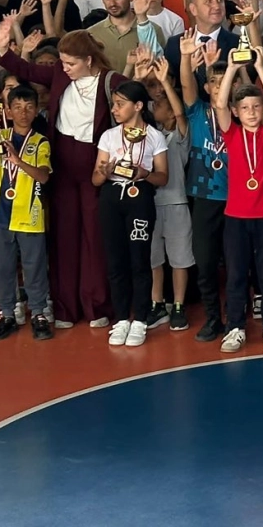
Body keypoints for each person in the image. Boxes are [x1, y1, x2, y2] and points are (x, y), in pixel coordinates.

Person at [0, 19, 127, 329]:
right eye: (62, 62)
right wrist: (2, 50)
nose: (64, 68)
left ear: (88, 60)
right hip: (62, 164)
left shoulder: (112, 81)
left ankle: (97, 305)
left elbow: (131, 106)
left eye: (70, 63)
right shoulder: (59, 75)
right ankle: (65, 307)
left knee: (95, 237)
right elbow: (26, 70)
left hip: (96, 167)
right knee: (64, 236)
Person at [213, 44, 263, 354]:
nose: (253, 112)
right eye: (245, 108)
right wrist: (231, 68)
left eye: (257, 107)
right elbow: (219, 105)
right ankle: (235, 328)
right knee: (236, 275)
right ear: (236, 112)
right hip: (237, 217)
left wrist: (258, 67)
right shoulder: (232, 134)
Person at [92, 80, 169, 348]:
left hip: (140, 198)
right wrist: (104, 172)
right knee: (115, 262)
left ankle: (141, 320)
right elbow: (95, 179)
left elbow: (163, 177)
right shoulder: (109, 136)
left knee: (139, 260)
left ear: (138, 106)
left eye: (120, 104)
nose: (114, 109)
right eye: (114, 104)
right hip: (111, 198)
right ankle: (122, 318)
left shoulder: (154, 136)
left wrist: (144, 173)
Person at [0, 85, 54, 342]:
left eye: (29, 107)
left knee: (34, 266)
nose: (23, 113)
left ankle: (38, 313)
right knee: (3, 268)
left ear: (36, 111)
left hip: (29, 215)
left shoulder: (40, 141)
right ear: (8, 111)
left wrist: (19, 161)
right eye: (18, 108)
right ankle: (7, 314)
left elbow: (43, 176)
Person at [178, 34, 232, 341]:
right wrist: (186, 58)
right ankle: (213, 318)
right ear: (207, 87)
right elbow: (187, 87)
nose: (219, 86)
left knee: (237, 262)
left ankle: (236, 316)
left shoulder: (240, 115)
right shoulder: (198, 112)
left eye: (225, 81)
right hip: (204, 196)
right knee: (206, 261)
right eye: (214, 81)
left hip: (236, 198)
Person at [138, 55, 192, 332]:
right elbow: (137, 106)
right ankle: (157, 303)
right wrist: (142, 80)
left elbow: (180, 113)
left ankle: (178, 305)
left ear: (171, 113)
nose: (153, 105)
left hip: (176, 203)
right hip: (151, 203)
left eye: (159, 105)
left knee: (179, 257)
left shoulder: (180, 136)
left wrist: (165, 84)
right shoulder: (150, 135)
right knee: (154, 257)